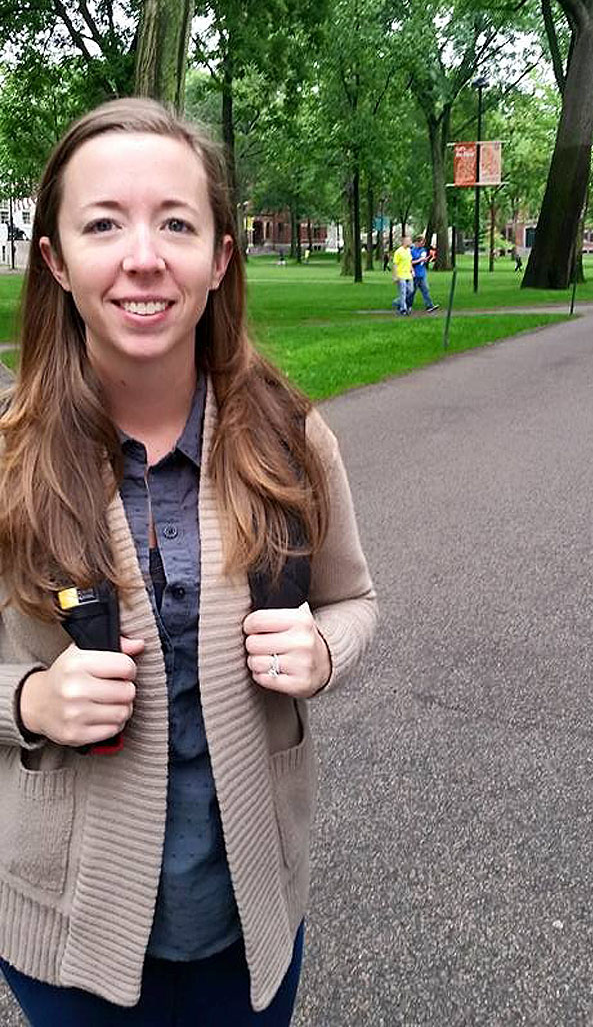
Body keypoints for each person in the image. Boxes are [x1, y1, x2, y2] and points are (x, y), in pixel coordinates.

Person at [0, 98, 377, 1026]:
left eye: (176, 223)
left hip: (249, 927)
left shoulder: (292, 441)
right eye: (103, 224)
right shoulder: (9, 458)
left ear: (219, 258)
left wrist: (324, 649)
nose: (143, 256)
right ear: (55, 260)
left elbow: (356, 600)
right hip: (66, 937)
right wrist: (30, 703)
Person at [408, 235, 438, 313]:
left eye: (424, 243)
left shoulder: (423, 250)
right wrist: (419, 260)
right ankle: (407, 306)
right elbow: (409, 262)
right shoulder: (411, 251)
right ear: (417, 242)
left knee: (426, 290)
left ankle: (429, 306)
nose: (423, 244)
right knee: (412, 292)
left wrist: (426, 259)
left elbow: (423, 260)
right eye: (421, 243)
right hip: (415, 275)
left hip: (422, 274)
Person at [391, 233, 413, 315]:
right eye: (409, 241)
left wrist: (412, 270)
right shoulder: (398, 252)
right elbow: (395, 264)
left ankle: (397, 302)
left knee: (410, 291)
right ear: (404, 242)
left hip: (408, 275)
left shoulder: (409, 250)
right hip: (401, 275)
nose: (410, 242)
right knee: (403, 292)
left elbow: (410, 261)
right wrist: (395, 276)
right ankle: (403, 309)